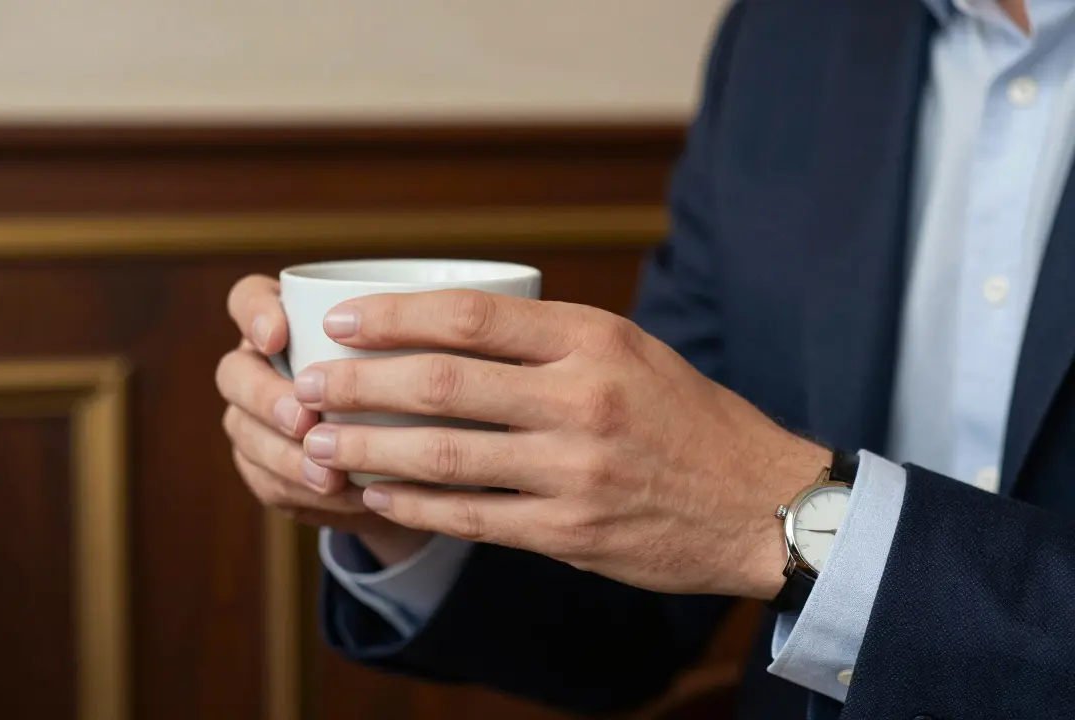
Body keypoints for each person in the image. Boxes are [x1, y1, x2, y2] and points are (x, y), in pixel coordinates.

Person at [216, 0, 1075, 717]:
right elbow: (629, 619)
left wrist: (792, 519)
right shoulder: (787, 35)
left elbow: (732, 510)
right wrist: (402, 503)